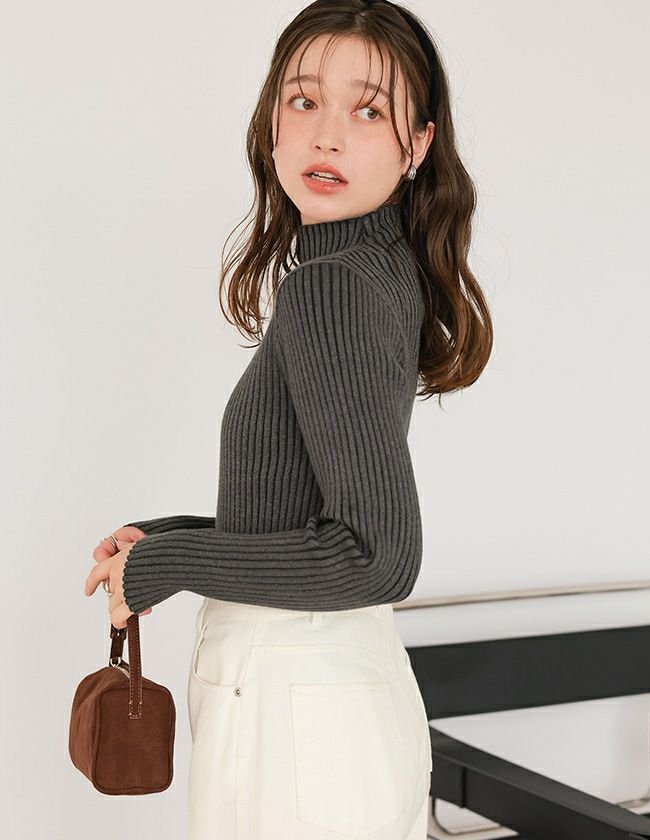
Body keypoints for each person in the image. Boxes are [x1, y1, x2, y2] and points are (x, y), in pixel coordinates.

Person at [84, 1, 493, 837]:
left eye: (368, 111)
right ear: (272, 120)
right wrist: (165, 541)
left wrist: (170, 563)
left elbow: (376, 556)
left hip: (299, 718)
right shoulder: (370, 266)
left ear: (417, 144)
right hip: (319, 706)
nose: (327, 136)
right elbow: (310, 521)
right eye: (304, 100)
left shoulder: (334, 284)